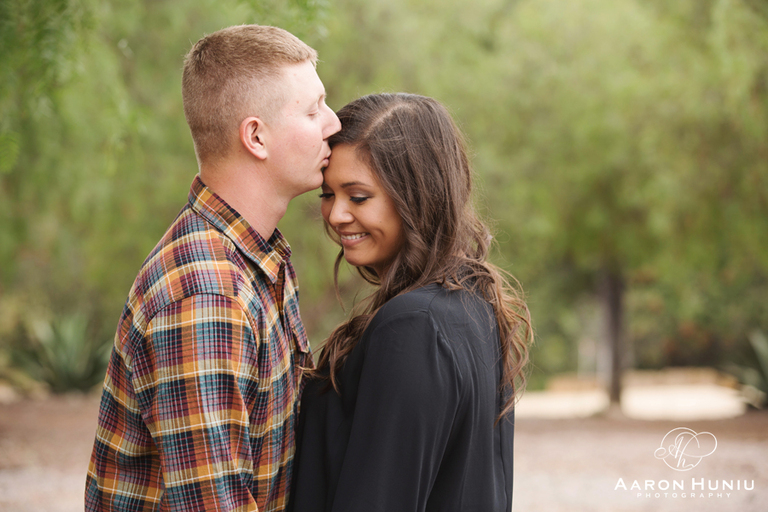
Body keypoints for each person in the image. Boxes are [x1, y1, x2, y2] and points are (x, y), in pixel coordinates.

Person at [85, 25, 340, 511]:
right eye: (313, 111)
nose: (333, 123)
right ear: (256, 137)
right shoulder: (206, 294)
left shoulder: (255, 259)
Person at [287, 93, 532, 512]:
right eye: (327, 194)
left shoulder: (414, 326)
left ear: (417, 196)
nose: (336, 214)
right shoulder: (473, 305)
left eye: (358, 197)